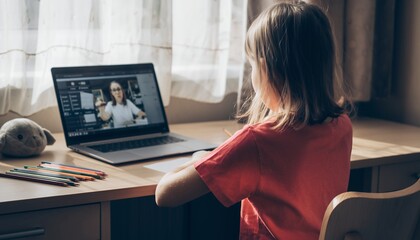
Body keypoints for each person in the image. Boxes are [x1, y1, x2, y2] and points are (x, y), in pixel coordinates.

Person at [155, 1, 353, 239]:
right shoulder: (341, 125)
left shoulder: (257, 143)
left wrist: (205, 159)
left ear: (267, 69)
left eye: (251, 66)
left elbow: (165, 194)